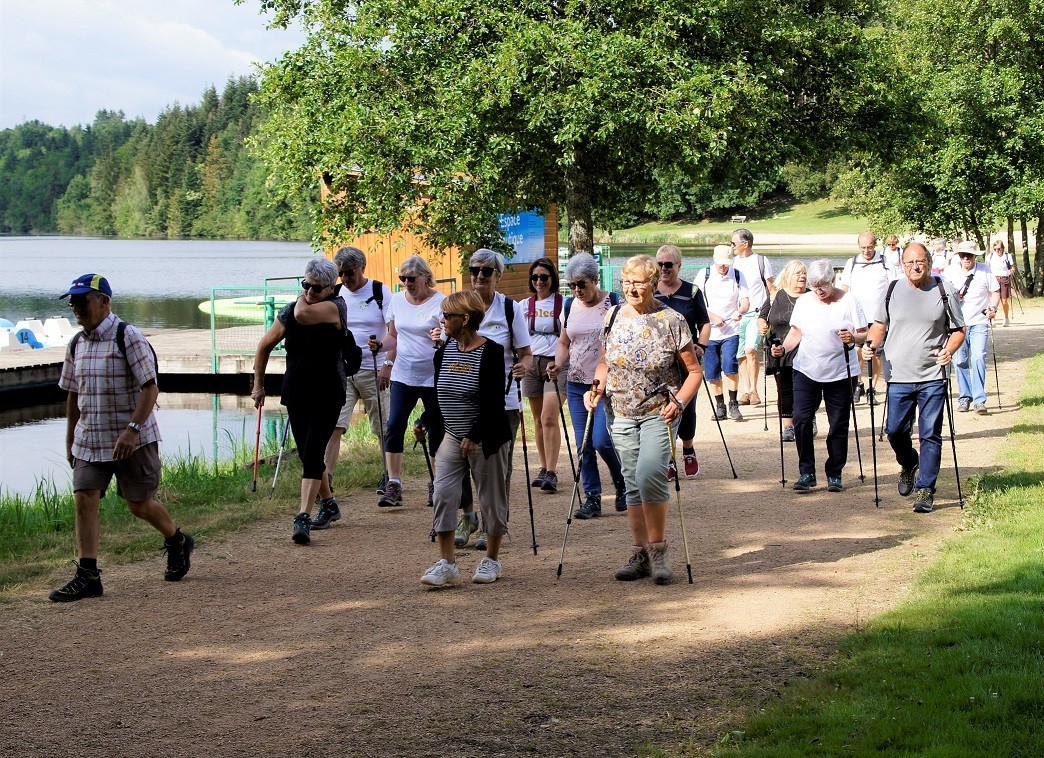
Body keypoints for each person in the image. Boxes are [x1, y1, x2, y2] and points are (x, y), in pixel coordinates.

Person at [50, 273, 194, 602]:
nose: (76, 308)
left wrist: (133, 429)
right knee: (84, 497)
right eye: (72, 302)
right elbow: (72, 393)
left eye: (82, 301)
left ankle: (177, 540)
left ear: (104, 302)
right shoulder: (76, 343)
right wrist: (70, 436)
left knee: (138, 505)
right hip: (90, 438)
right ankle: (88, 576)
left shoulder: (127, 336)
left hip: (133, 439)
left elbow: (150, 387)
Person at [588, 255, 703, 584]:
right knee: (632, 481)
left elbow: (694, 372)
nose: (631, 288)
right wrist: (596, 386)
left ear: (653, 284)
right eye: (626, 282)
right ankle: (639, 552)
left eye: (638, 282)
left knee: (650, 472)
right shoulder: (612, 316)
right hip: (620, 411)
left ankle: (658, 551)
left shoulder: (671, 320)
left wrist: (680, 402)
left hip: (659, 411)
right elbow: (604, 363)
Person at [861, 242, 965, 514]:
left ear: (929, 262)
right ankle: (909, 463)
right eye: (909, 262)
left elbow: (959, 330)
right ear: (902, 264)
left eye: (920, 262)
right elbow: (879, 325)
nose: (915, 267)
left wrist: (949, 350)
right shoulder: (893, 289)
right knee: (894, 430)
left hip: (933, 375)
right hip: (898, 375)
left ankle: (925, 489)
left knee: (930, 433)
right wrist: (869, 346)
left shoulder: (944, 289)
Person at [252, 258, 349, 544]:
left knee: (312, 453)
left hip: (329, 392)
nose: (308, 291)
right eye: (305, 285)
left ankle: (302, 517)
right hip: (296, 392)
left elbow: (304, 315)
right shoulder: (290, 311)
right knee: (309, 453)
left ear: (331, 288)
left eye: (316, 288)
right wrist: (258, 384)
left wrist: (299, 300)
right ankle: (329, 503)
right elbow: (264, 346)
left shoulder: (336, 308)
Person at [421, 291, 512, 586]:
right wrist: (424, 420)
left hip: (485, 438)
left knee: (490, 499)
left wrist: (475, 435)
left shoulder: (492, 352)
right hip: (450, 434)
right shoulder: (443, 350)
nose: (442, 320)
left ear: (465, 319)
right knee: (443, 494)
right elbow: (438, 394)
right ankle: (447, 563)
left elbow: (493, 402)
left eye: (447, 316)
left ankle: (491, 560)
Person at [451, 249, 532, 550]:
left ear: (498, 275)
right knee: (458, 462)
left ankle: (492, 525)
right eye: (475, 270)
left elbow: (525, 352)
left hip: (503, 400)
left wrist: (524, 366)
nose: (480, 276)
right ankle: (467, 515)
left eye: (486, 271)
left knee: (498, 469)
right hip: (464, 400)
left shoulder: (510, 309)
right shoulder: (460, 306)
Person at [771, 261, 867, 493]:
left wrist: (852, 338)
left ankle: (835, 472)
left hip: (841, 372)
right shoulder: (804, 302)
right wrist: (783, 349)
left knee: (838, 425)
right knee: (801, 420)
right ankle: (807, 472)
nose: (819, 291)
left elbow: (864, 333)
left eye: (824, 285)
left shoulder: (849, 300)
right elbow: (796, 332)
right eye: (815, 286)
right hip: (806, 369)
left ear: (832, 280)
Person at [548, 253, 626, 519]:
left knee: (602, 440)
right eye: (572, 285)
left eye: (582, 284)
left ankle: (622, 481)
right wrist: (558, 364)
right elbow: (563, 342)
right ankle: (592, 496)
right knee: (583, 444)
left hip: (607, 385)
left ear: (595, 279)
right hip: (576, 384)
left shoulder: (614, 304)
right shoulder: (569, 306)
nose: (577, 290)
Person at [321, 246, 394, 517]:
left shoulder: (379, 291)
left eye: (349, 273)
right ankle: (326, 481)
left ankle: (389, 476)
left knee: (383, 427)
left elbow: (393, 332)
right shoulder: (336, 293)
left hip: (373, 368)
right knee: (334, 426)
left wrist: (387, 361)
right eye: (340, 273)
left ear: (361, 267)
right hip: (343, 370)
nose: (345, 278)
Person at [381, 255, 445, 507]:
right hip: (404, 374)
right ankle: (394, 483)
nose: (406, 283)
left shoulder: (441, 302)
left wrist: (441, 336)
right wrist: (379, 348)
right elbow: (392, 337)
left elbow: (449, 337)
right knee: (394, 425)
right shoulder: (397, 301)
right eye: (402, 279)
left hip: (433, 376)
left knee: (435, 429)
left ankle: (437, 483)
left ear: (425, 277)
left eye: (411, 278)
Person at [654, 244, 711, 479]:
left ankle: (688, 448)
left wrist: (702, 346)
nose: (664, 269)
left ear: (679, 266)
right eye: (660, 264)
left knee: (685, 406)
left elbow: (704, 323)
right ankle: (668, 456)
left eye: (669, 264)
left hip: (686, 359)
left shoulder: (692, 291)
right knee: (660, 408)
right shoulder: (650, 291)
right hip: (658, 360)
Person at [520, 257, 565, 494]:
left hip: (554, 363)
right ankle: (544, 466)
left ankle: (552, 470)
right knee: (537, 420)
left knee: (549, 417)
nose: (539, 282)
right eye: (535, 277)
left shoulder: (563, 303)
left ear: (552, 279)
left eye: (544, 277)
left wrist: (560, 362)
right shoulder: (523, 305)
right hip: (531, 363)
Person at [838, 231, 897, 402]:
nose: (866, 251)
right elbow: (844, 288)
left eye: (870, 247)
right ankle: (859, 384)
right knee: (857, 352)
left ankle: (872, 388)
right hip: (858, 317)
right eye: (863, 248)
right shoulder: (852, 263)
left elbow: (893, 287)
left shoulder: (885, 262)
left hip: (879, 317)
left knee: (876, 353)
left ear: (875, 245)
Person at [693, 245, 749, 421]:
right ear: (714, 260)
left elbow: (745, 301)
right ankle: (720, 406)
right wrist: (712, 315)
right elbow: (696, 301)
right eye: (720, 264)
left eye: (726, 264)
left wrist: (740, 311)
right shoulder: (704, 274)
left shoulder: (738, 275)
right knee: (712, 370)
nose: (723, 268)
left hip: (731, 329)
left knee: (730, 364)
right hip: (709, 330)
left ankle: (733, 404)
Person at [944, 241, 999, 414]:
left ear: (975, 256)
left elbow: (995, 291)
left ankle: (979, 399)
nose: (966, 258)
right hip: (958, 326)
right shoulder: (950, 272)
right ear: (958, 256)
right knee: (959, 361)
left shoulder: (985, 270)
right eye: (962, 255)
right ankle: (964, 398)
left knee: (978, 358)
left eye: (969, 255)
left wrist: (993, 308)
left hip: (979, 323)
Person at [758, 260, 807, 442]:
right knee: (784, 389)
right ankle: (788, 427)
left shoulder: (811, 296)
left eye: (804, 273)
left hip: (806, 351)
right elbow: (762, 318)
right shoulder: (775, 296)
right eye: (798, 273)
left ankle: (808, 418)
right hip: (779, 349)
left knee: (806, 390)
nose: (802, 277)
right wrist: (762, 327)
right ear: (788, 276)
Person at [730, 228, 775, 406]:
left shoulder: (761, 261)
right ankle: (746, 390)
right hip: (738, 315)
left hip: (757, 313)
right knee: (740, 353)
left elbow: (771, 289)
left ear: (745, 244)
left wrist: (769, 315)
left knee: (750, 350)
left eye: (734, 243)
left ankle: (754, 389)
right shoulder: (732, 263)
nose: (731, 246)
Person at [987, 240, 1016, 326]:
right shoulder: (990, 256)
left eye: (999, 249)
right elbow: (987, 267)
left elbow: (1013, 267)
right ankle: (992, 320)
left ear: (1002, 248)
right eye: (995, 249)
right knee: (993, 301)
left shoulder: (1007, 256)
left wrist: (1010, 272)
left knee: (1004, 301)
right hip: (993, 279)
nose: (997, 251)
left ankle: (1006, 318)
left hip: (1004, 279)